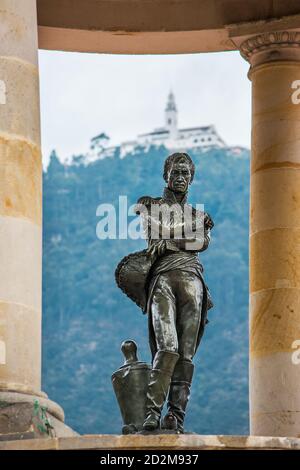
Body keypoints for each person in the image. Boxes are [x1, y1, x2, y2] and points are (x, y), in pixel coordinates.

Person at [135, 152, 214, 433]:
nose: (180, 178)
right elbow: (154, 232)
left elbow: (201, 242)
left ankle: (175, 416)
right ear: (165, 175)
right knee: (167, 347)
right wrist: (187, 233)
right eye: (175, 172)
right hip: (162, 280)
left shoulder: (199, 214)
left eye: (185, 173)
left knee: (186, 354)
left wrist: (170, 241)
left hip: (193, 281)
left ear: (191, 179)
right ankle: (152, 412)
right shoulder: (151, 206)